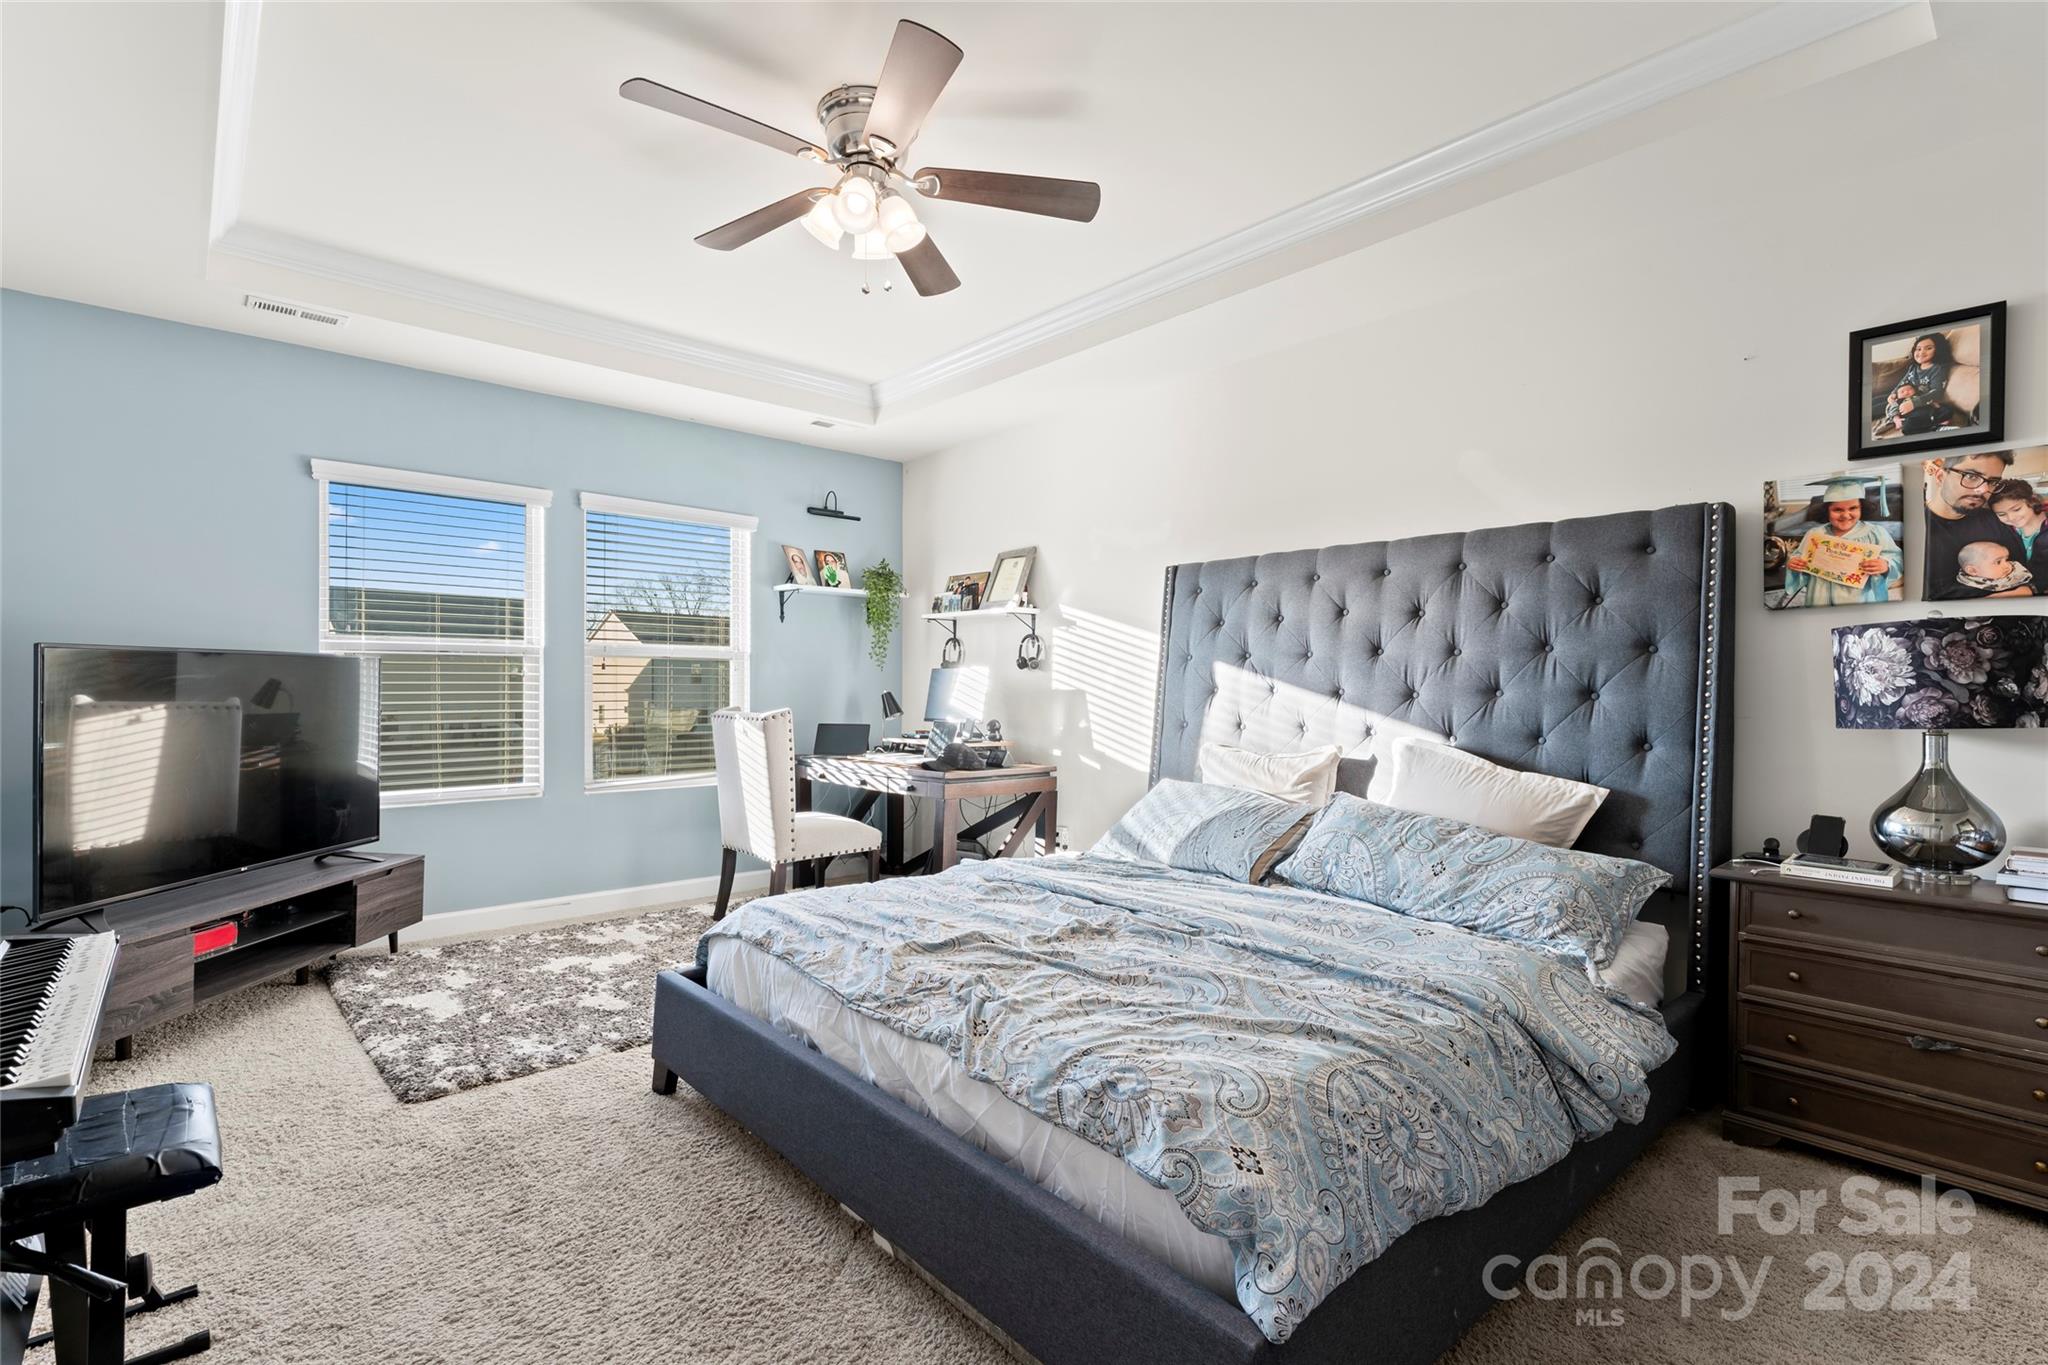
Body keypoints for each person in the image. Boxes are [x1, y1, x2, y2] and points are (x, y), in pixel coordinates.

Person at [1781, 478, 1900, 606]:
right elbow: (1799, 555)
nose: (1845, 515)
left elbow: (1896, 558)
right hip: (1819, 594)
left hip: (1857, 597)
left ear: (1862, 508)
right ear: (1827, 510)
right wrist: (1794, 562)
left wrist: (1886, 565)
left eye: (1853, 508)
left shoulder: (1876, 533)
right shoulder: (1815, 534)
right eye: (1837, 510)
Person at [1923, 452, 2024, 599]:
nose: (1982, 490)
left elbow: (2026, 571)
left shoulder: (1995, 521)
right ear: (1940, 477)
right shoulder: (1911, 529)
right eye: (1971, 476)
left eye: (1992, 482)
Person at [1876, 333, 1953, 438]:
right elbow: (1902, 382)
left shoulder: (1937, 369)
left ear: (1938, 349)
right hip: (1902, 398)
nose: (1921, 352)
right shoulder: (1913, 367)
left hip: (1919, 403)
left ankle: (1936, 428)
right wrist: (1893, 394)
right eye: (1918, 349)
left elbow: (1937, 392)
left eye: (1928, 348)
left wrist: (1914, 403)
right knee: (1873, 402)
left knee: (1907, 426)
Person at [1990, 478, 2046, 570]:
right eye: (2002, 514)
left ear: (2032, 500)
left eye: (2016, 509)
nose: (2011, 518)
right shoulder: (2005, 530)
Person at [1956, 542, 2034, 594]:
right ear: (1973, 571)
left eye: (2006, 559)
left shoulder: (2016, 574)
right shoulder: (1967, 592)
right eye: (1998, 562)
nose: (2007, 565)